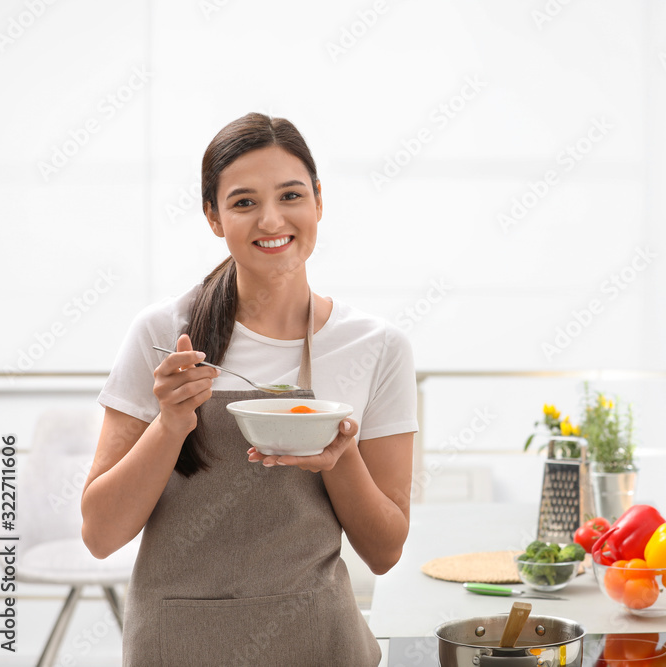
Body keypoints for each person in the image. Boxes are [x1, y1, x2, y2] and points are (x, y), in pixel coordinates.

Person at [81, 112, 417, 666]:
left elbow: (384, 551)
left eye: (290, 195)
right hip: (177, 642)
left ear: (318, 203)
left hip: (318, 639)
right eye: (242, 202)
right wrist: (170, 424)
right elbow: (100, 534)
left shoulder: (376, 346)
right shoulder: (165, 337)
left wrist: (341, 454)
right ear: (213, 217)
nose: (271, 219)